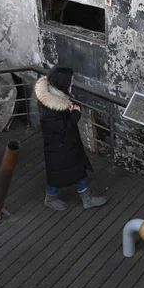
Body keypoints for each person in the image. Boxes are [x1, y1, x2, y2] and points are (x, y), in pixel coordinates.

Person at [34, 67, 107, 211]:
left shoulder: (54, 98)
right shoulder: (51, 109)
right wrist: (75, 114)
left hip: (65, 146)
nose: (72, 84)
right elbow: (63, 129)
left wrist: (72, 110)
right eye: (71, 81)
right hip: (61, 148)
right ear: (63, 82)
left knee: (75, 171)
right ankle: (51, 198)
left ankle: (86, 199)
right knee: (61, 174)